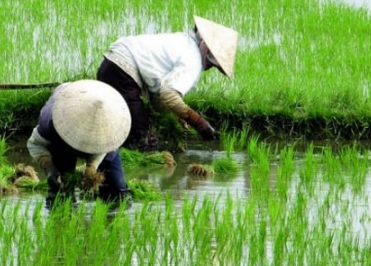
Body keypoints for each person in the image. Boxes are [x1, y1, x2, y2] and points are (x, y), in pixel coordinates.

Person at [96, 15, 238, 150]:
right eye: (212, 63)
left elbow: (161, 95)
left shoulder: (183, 41)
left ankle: (105, 156)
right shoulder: (193, 61)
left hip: (110, 66)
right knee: (141, 139)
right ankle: (121, 167)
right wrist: (198, 121)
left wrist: (178, 114)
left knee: (111, 123)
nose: (209, 67)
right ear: (207, 51)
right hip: (122, 73)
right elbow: (167, 94)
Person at [27, 79, 132, 210]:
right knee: (61, 194)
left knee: (117, 192)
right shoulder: (51, 121)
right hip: (63, 145)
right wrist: (49, 167)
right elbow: (34, 144)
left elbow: (105, 147)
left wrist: (92, 166)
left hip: (102, 121)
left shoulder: (110, 121)